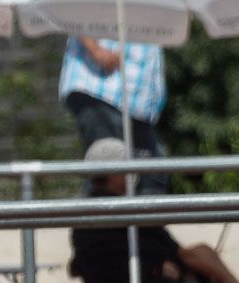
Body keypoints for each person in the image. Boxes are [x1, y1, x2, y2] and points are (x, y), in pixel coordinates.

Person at [72, 137, 239, 283]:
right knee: (210, 281)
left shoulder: (81, 217)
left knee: (202, 256)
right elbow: (176, 253)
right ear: (115, 173)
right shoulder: (130, 212)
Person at [59, 37, 169, 195]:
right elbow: (74, 19)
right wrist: (96, 50)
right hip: (101, 89)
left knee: (152, 182)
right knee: (108, 179)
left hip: (138, 105)